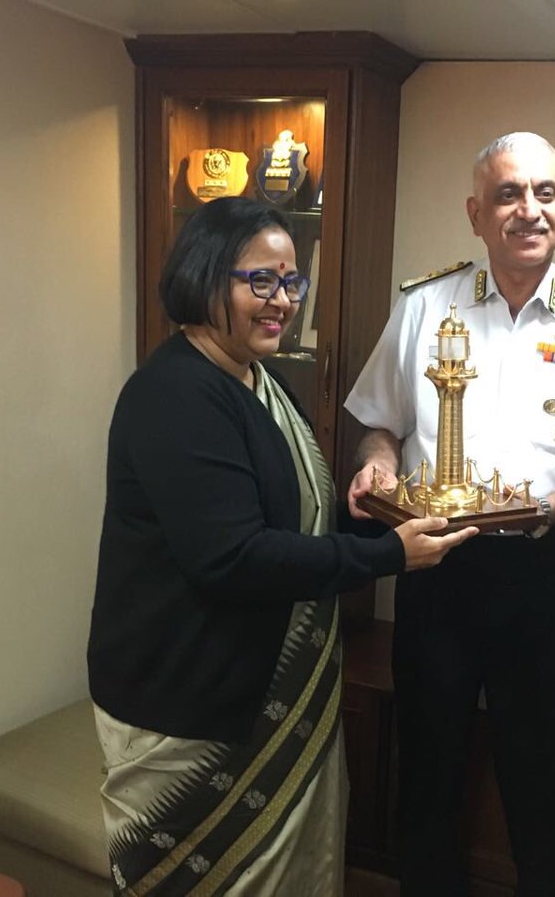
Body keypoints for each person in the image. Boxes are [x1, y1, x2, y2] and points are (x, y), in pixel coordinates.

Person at [87, 196, 476, 896]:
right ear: (206, 278)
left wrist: (370, 517)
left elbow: (297, 520)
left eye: (292, 281)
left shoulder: (261, 381)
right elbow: (232, 558)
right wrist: (388, 557)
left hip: (269, 687)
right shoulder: (174, 393)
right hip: (192, 704)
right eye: (259, 280)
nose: (282, 301)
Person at [344, 132, 555, 896]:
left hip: (541, 574)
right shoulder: (426, 305)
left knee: (546, 778)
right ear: (476, 213)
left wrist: (553, 505)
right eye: (510, 195)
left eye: (545, 193)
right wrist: (378, 463)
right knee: (429, 766)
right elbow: (379, 420)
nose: (530, 210)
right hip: (434, 567)